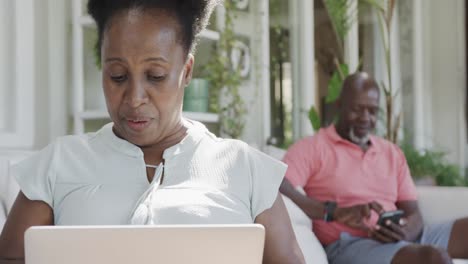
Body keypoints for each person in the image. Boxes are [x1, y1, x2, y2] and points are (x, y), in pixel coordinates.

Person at [0, 1, 305, 263]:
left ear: (186, 72)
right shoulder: (59, 161)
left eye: (155, 76)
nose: (134, 98)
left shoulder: (245, 167)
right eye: (117, 76)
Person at [280, 72, 468, 264]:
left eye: (372, 111)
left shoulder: (391, 152)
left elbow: (414, 213)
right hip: (352, 244)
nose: (365, 118)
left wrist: (406, 232)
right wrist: (332, 211)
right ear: (339, 106)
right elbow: (280, 184)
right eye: (357, 109)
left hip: (402, 238)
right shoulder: (313, 147)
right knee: (434, 259)